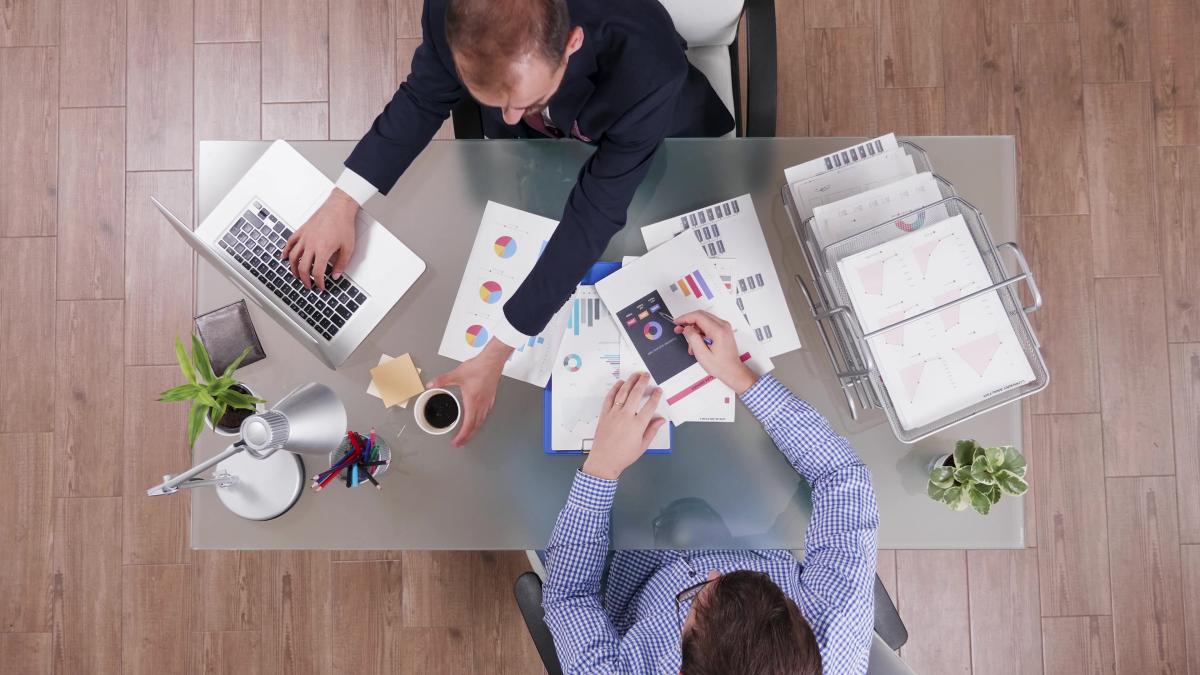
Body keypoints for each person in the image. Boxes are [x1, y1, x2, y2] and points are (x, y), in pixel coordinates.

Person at [280, 0, 734, 447]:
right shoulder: (450, 11)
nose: (511, 117)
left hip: (648, 133)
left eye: (526, 101)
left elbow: (594, 214)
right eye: (496, 102)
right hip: (541, 153)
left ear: (572, 42)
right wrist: (341, 202)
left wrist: (498, 348)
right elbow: (424, 96)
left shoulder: (648, 64)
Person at [541, 310, 879, 674]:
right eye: (766, 585)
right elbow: (841, 476)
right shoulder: (835, 632)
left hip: (630, 567)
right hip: (743, 524)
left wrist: (601, 470)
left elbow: (570, 597)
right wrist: (742, 377)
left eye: (691, 600)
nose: (714, 572)